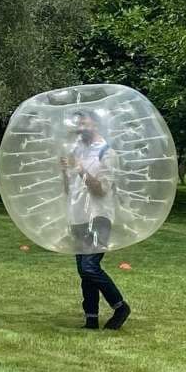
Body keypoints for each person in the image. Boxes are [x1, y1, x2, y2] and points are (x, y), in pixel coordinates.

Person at [62, 111, 130, 330]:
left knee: (90, 267)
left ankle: (120, 307)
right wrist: (65, 171)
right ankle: (91, 318)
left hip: (99, 216)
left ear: (96, 124)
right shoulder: (77, 150)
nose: (80, 126)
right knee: (84, 270)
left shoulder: (108, 153)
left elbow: (101, 189)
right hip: (78, 217)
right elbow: (69, 189)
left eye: (84, 122)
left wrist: (80, 168)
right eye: (78, 122)